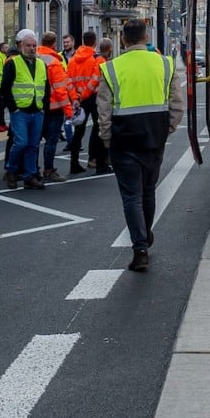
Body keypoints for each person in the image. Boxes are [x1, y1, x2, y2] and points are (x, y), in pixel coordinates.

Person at [96, 18, 185, 272]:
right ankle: (145, 234)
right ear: (146, 37)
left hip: (123, 142)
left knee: (131, 197)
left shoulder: (111, 68)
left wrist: (107, 140)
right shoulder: (165, 64)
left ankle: (140, 247)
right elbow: (177, 104)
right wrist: (165, 130)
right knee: (148, 192)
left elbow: (104, 111)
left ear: (123, 39)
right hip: (153, 140)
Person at [0, 29, 48, 190]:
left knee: (33, 145)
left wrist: (44, 108)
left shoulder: (41, 64)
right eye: (28, 45)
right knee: (21, 143)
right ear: (21, 46)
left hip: (37, 110)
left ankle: (30, 175)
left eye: (34, 45)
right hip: (20, 111)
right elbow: (4, 88)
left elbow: (46, 87)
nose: (32, 48)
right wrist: (13, 108)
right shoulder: (13, 63)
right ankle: (12, 171)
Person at [63, 31, 102, 174]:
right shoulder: (97, 59)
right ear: (95, 42)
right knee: (99, 129)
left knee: (78, 132)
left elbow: (68, 80)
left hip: (79, 100)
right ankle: (97, 160)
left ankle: (74, 163)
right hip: (94, 98)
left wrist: (75, 97)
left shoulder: (73, 59)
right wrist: (85, 94)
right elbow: (95, 79)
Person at [38, 31, 71, 182]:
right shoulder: (54, 61)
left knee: (33, 141)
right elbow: (60, 89)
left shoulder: (34, 57)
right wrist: (69, 111)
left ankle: (31, 171)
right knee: (51, 141)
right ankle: (49, 170)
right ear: (54, 43)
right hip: (54, 107)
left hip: (36, 106)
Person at [90, 37, 115, 173]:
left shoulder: (100, 60)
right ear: (109, 49)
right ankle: (100, 162)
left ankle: (97, 159)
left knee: (96, 129)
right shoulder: (101, 62)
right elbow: (96, 80)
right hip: (98, 98)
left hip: (95, 97)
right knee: (100, 131)